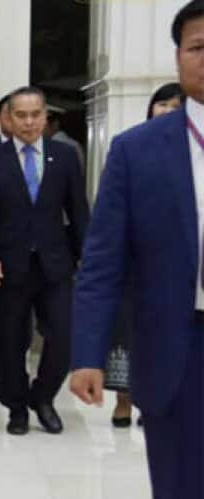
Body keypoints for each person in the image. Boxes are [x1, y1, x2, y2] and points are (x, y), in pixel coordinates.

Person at [71, 2, 204, 499]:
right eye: (198, 46)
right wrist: (88, 351)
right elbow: (102, 261)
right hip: (181, 348)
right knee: (184, 497)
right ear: (177, 58)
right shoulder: (136, 151)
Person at [0, 86, 90, 435]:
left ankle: (42, 396)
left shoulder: (65, 156)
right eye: (20, 115)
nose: (28, 122)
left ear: (45, 116)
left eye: (35, 114)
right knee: (9, 340)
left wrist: (91, 260)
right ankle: (16, 406)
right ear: (8, 118)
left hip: (55, 264)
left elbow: (79, 212)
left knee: (63, 335)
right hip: (7, 265)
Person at [103, 82, 185, 428]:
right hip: (132, 259)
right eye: (161, 104)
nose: (166, 111)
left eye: (174, 106)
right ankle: (123, 400)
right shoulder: (130, 147)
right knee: (125, 332)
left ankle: (155, 401)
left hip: (177, 263)